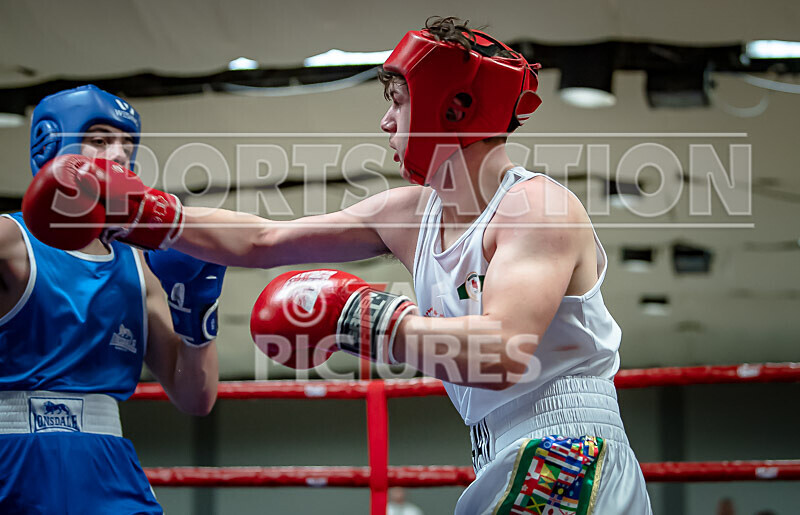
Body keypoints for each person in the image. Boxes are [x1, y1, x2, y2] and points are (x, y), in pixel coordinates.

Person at [24, 18, 652, 514]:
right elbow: (264, 240)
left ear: (451, 106)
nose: (386, 120)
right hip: (505, 452)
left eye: (399, 101)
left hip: (568, 449)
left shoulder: (535, 207)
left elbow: (503, 351)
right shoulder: (411, 213)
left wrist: (363, 318)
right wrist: (142, 213)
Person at [1, 85, 225, 514]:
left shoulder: (141, 264)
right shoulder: (11, 239)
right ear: (52, 145)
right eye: (101, 140)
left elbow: (195, 398)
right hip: (14, 457)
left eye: (127, 144)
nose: (119, 154)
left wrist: (197, 315)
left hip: (107, 461)